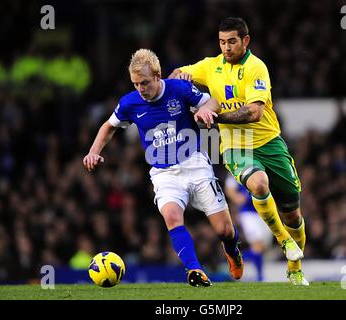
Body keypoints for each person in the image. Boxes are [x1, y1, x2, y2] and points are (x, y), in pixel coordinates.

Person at [83, 49, 243, 287]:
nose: (140, 88)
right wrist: (94, 151)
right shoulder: (130, 103)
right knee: (171, 216)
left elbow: (213, 101)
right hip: (164, 173)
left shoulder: (179, 89)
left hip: (196, 164)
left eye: (145, 82)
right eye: (136, 84)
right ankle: (194, 271)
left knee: (224, 231)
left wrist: (206, 109)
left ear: (158, 76)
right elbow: (109, 126)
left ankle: (231, 250)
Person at [169, 17, 308, 285]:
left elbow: (254, 113)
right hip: (236, 145)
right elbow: (176, 74)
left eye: (232, 41)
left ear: (245, 40)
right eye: (222, 42)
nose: (226, 47)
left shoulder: (257, 68)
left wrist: (214, 116)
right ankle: (283, 240)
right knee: (258, 183)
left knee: (293, 213)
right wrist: (181, 77)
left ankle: (294, 265)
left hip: (270, 142)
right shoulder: (211, 66)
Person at [224, 173, 272, 281]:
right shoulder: (238, 166)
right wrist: (237, 197)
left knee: (262, 248)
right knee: (258, 245)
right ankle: (260, 277)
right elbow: (229, 187)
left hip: (265, 211)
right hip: (248, 212)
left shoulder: (263, 164)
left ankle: (234, 259)